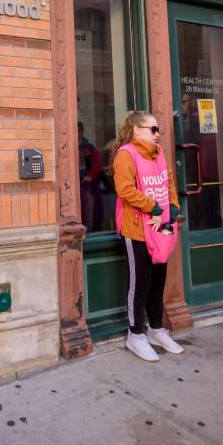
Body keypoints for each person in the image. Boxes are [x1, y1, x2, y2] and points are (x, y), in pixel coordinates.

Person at [112, 110, 184, 362]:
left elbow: (169, 181)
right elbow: (125, 189)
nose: (158, 134)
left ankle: (156, 329)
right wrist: (154, 207)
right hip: (135, 228)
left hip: (160, 226)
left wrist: (172, 207)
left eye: (158, 129)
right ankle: (136, 334)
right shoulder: (126, 154)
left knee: (158, 280)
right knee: (139, 282)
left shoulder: (159, 153)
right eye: (152, 129)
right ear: (136, 130)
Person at [78, 122, 102, 230]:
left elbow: (97, 164)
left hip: (87, 184)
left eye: (78, 130)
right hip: (73, 184)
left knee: (88, 211)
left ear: (82, 131)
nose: (77, 133)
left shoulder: (89, 147)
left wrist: (90, 176)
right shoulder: (68, 146)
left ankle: (89, 232)